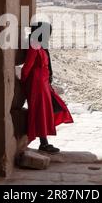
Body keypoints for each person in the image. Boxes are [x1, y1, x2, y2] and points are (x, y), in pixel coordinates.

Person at [21, 22, 74, 154]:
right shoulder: (34, 46)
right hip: (36, 83)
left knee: (47, 109)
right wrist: (23, 82)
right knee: (40, 112)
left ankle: (44, 141)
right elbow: (28, 66)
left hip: (42, 83)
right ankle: (43, 143)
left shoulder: (39, 46)